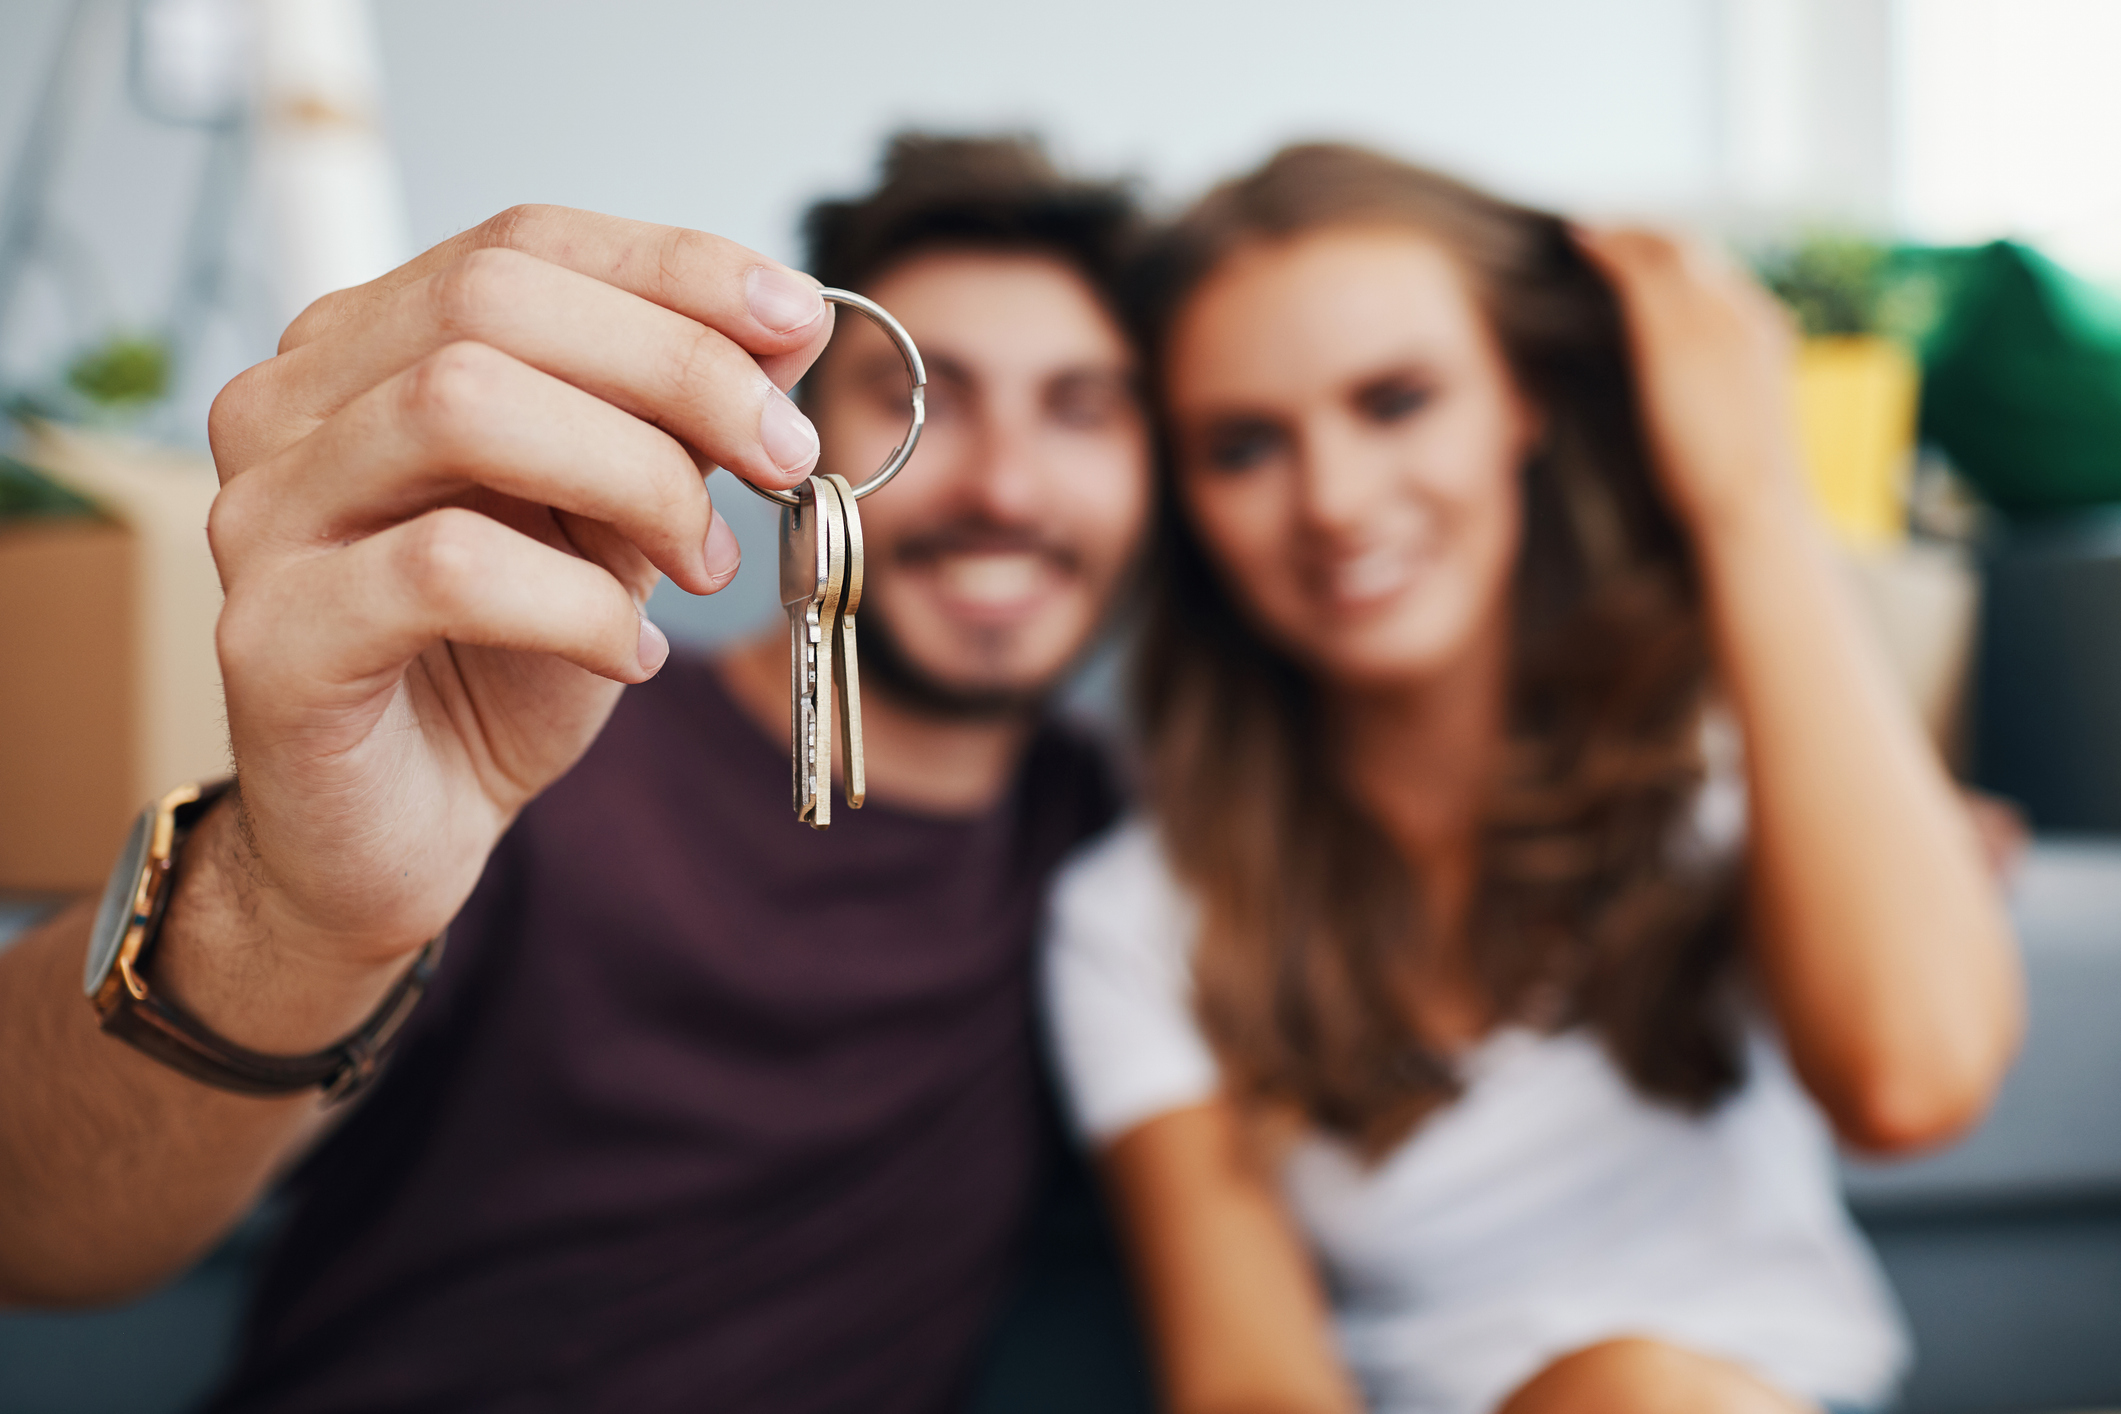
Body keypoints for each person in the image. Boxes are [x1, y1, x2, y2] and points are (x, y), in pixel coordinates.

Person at [0, 134, 1155, 1411]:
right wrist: (298, 908)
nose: (1005, 485)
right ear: (802, 434)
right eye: (924, 395)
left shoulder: (1130, 852)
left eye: (1081, 408)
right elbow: (23, 1217)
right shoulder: (529, 717)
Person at [1046, 144, 2025, 1414]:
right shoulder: (1138, 916)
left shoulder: (1725, 757)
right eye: (1243, 447)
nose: (1333, 500)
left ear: (1523, 399)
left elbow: (1912, 1082)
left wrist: (1750, 490)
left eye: (1396, 402)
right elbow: (1251, 1387)